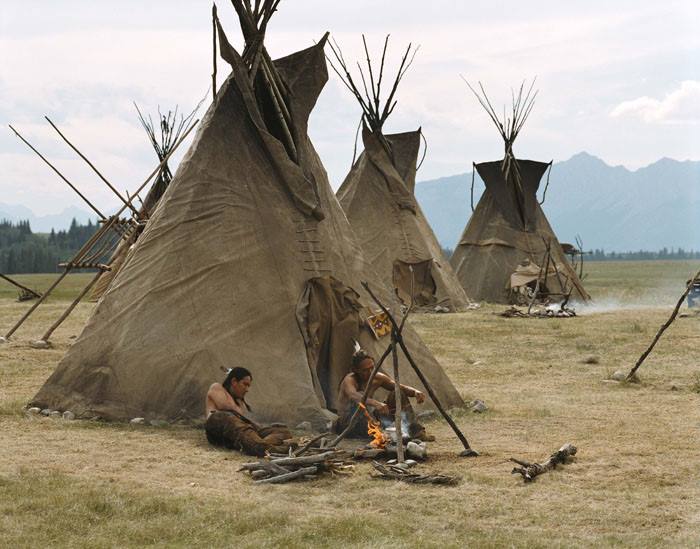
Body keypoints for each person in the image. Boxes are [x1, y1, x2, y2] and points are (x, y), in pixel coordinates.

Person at [335, 348, 434, 441]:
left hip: (370, 420)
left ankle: (415, 431)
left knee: (397, 393)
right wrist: (376, 403)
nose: (370, 372)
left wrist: (415, 392)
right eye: (365, 370)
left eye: (372, 368)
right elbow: (353, 395)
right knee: (360, 400)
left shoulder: (377, 378)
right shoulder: (350, 380)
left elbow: (399, 387)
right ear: (355, 370)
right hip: (349, 423)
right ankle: (379, 434)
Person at [205, 367, 296, 457]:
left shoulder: (238, 401)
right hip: (219, 427)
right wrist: (239, 401)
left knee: (283, 431)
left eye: (248, 386)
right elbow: (225, 406)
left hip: (238, 432)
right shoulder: (217, 387)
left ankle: (261, 444)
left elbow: (242, 423)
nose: (247, 389)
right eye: (245, 384)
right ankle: (267, 448)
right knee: (227, 417)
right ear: (234, 382)